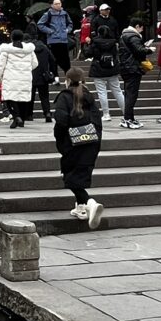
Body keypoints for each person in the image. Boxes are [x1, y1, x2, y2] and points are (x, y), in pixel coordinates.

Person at [53, 67, 104, 229]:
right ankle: (81, 208)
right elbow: (98, 121)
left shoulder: (64, 97)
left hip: (72, 143)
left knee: (71, 177)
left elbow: (61, 122)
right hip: (91, 142)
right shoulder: (89, 97)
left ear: (67, 80)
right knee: (80, 175)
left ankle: (90, 202)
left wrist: (61, 143)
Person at [0, 29, 38, 128]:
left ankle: (16, 116)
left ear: (11, 37)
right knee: (23, 99)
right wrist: (26, 69)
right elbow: (35, 63)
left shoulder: (6, 50)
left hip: (10, 77)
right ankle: (21, 118)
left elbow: (0, 65)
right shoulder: (29, 50)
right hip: (25, 77)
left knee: (9, 98)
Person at [86, 25, 126, 121]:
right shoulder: (113, 42)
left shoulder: (95, 42)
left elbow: (88, 53)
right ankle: (126, 112)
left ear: (98, 32)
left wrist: (88, 44)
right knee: (118, 91)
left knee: (102, 93)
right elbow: (116, 54)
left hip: (98, 69)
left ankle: (106, 114)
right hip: (112, 68)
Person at [118, 16, 150, 128]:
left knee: (128, 94)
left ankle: (129, 118)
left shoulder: (124, 35)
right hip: (132, 67)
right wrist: (149, 49)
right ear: (137, 26)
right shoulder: (133, 36)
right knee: (132, 95)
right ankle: (128, 119)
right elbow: (139, 50)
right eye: (141, 28)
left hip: (125, 67)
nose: (142, 30)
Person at [25, 23, 56, 123]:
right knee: (44, 96)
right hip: (44, 75)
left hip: (30, 74)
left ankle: (29, 114)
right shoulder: (44, 47)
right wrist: (52, 72)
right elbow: (52, 60)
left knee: (30, 96)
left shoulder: (27, 49)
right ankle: (47, 113)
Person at [37, 0, 73, 74]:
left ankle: (69, 77)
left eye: (59, 3)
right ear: (52, 5)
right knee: (54, 59)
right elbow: (40, 24)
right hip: (53, 40)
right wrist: (50, 31)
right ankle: (55, 77)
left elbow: (70, 24)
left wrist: (67, 30)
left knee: (66, 60)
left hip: (63, 40)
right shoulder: (48, 14)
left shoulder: (65, 14)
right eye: (56, 4)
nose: (58, 5)